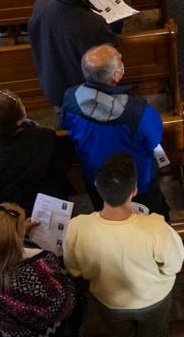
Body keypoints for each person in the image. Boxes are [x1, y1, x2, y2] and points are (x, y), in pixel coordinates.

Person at [64, 153, 184, 337]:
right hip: (153, 300)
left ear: (97, 187)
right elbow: (174, 265)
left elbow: (74, 268)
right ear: (134, 191)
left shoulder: (77, 227)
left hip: (110, 300)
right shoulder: (156, 227)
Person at [61, 46, 169, 217]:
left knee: (104, 212)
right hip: (136, 181)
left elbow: (66, 125)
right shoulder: (137, 111)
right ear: (117, 75)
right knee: (151, 216)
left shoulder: (70, 98)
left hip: (96, 178)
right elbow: (154, 139)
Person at [0, 203, 81, 337]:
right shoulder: (37, 267)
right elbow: (61, 309)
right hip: (31, 334)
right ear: (17, 238)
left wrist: (19, 233)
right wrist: (69, 283)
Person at [0, 89, 72, 211]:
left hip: (1, 206)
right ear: (18, 121)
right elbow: (61, 166)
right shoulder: (44, 137)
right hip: (39, 202)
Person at [28, 0, 117, 110]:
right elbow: (110, 53)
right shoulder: (93, 23)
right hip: (82, 91)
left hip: (52, 82)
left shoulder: (41, 6)